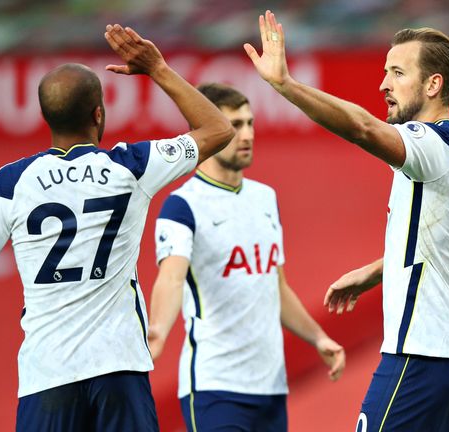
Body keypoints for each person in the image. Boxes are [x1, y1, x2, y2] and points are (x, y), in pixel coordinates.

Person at [0, 25, 234, 431]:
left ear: (45, 117)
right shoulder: (130, 166)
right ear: (99, 113)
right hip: (119, 368)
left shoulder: (11, 182)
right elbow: (219, 129)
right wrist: (158, 69)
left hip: (47, 377)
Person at [245, 10, 449, 431]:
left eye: (398, 73)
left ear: (434, 84)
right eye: (385, 72)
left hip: (424, 356)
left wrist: (285, 85)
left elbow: (363, 127)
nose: (383, 85)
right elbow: (445, 242)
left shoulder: (434, 144)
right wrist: (380, 270)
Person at [147, 82, 346, 432]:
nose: (247, 134)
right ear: (205, 131)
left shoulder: (264, 198)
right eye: (234, 125)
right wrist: (157, 334)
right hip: (214, 388)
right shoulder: (182, 205)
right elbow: (171, 277)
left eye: (250, 123)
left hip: (270, 388)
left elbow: (276, 286)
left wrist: (318, 337)